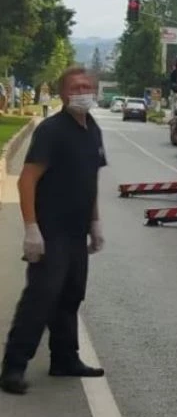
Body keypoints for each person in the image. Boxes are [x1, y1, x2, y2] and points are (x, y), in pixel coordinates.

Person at [0, 67, 107, 396]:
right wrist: (32, 229)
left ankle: (65, 358)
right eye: (76, 87)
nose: (82, 91)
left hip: (76, 232)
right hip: (51, 231)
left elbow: (90, 180)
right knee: (41, 298)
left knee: (70, 296)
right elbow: (27, 179)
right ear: (62, 93)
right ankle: (13, 367)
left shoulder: (92, 129)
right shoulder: (52, 131)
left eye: (88, 86)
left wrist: (95, 222)